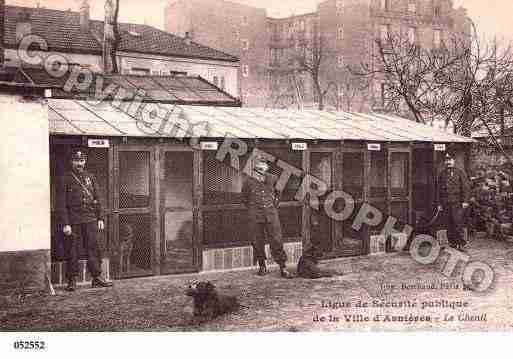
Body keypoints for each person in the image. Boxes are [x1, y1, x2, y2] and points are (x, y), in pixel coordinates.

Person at [56, 148, 113, 291]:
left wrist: (100, 217)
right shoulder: (65, 178)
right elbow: (61, 203)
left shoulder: (90, 177)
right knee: (72, 249)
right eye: (76, 161)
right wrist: (65, 223)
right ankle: (72, 280)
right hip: (73, 219)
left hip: (90, 218)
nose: (79, 163)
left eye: (81, 160)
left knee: (93, 247)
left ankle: (96, 277)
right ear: (71, 162)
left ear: (85, 161)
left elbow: (98, 198)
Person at [242, 158, 292, 278]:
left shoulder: (273, 179)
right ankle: (262, 266)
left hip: (271, 214)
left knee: (277, 240)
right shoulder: (248, 181)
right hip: (255, 215)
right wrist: (253, 209)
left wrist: (273, 207)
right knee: (257, 241)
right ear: (255, 169)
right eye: (258, 169)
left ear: (267, 169)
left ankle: (282, 267)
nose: (260, 173)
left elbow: (278, 194)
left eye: (263, 169)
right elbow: (244, 198)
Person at [436, 152, 470, 251]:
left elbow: (466, 188)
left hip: (457, 202)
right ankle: (452, 243)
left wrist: (465, 201)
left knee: (457, 222)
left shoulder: (460, 172)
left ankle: (461, 243)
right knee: (448, 223)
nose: (448, 162)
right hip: (445, 202)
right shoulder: (442, 173)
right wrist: (439, 203)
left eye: (450, 160)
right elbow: (438, 189)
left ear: (454, 161)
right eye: (446, 160)